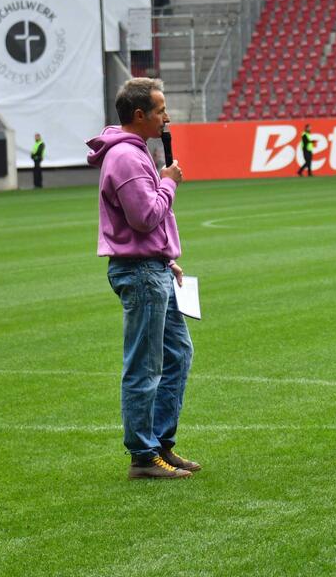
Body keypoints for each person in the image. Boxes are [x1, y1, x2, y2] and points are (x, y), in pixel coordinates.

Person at [86, 78, 199, 480]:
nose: (166, 116)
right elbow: (145, 216)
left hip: (153, 267)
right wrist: (169, 181)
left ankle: (160, 444)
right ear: (140, 115)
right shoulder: (127, 159)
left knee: (178, 354)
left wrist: (167, 257)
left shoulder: (134, 153)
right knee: (145, 365)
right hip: (140, 272)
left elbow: (147, 225)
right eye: (160, 109)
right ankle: (143, 455)